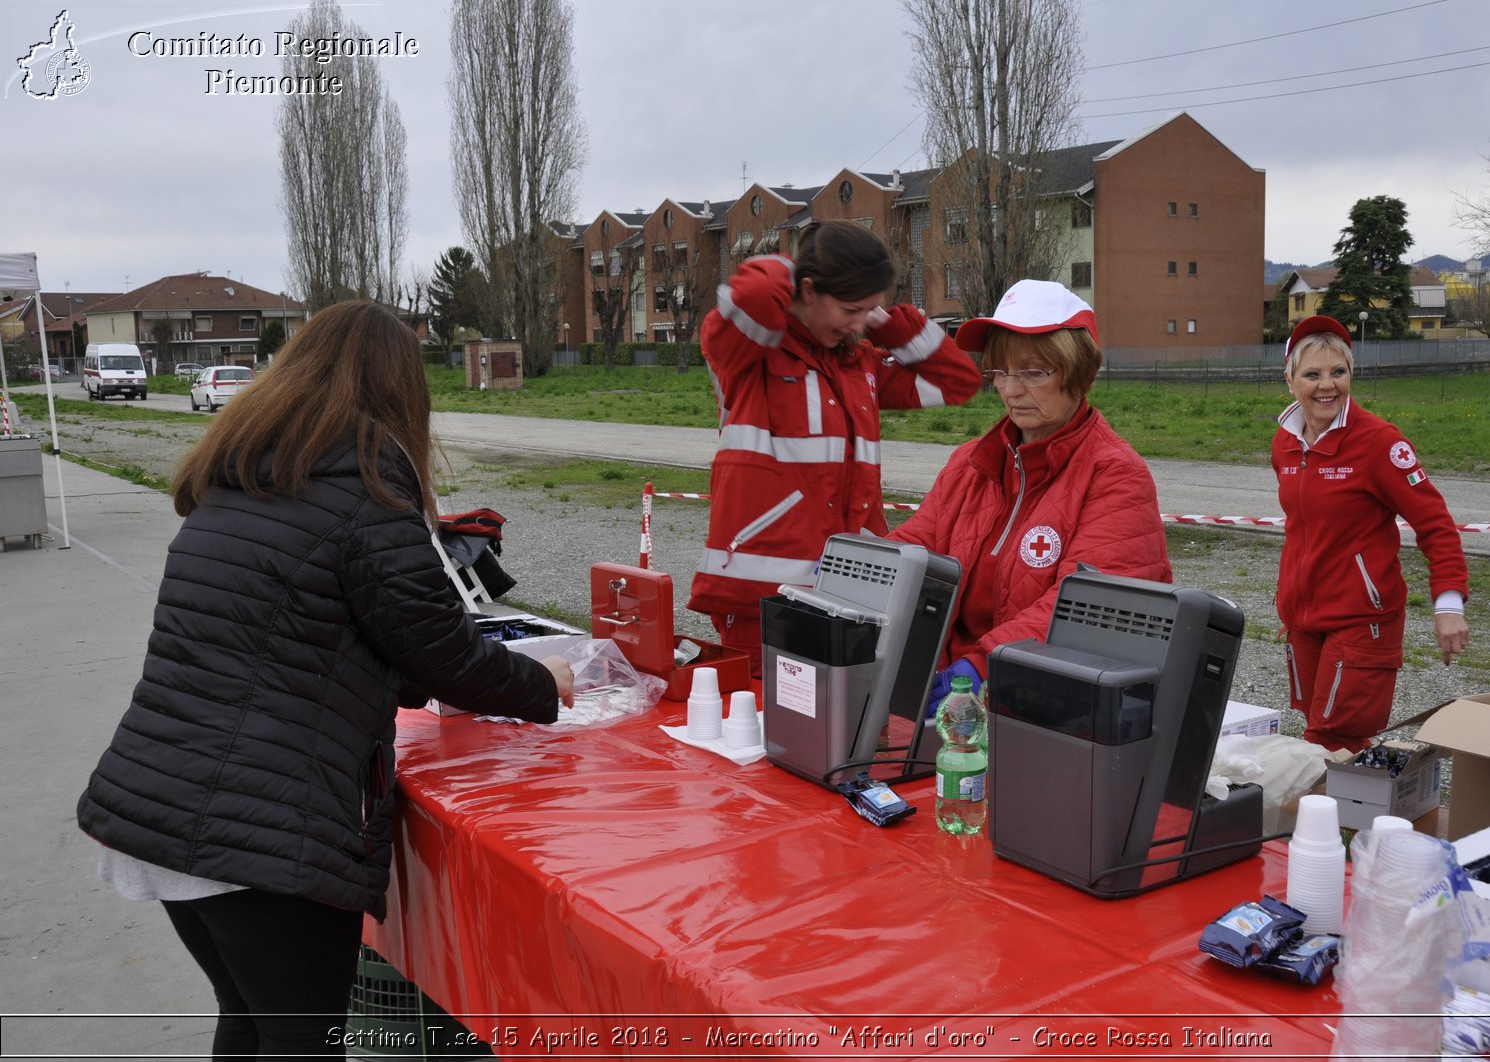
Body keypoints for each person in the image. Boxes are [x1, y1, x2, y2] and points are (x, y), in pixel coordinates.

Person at [76, 301, 575, 1060]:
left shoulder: (246, 468)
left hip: (160, 813)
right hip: (259, 837)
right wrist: (544, 682)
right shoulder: (365, 481)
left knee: (250, 1018)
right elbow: (445, 653)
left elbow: (324, 633)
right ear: (397, 387)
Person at [689, 220, 982, 667]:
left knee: (847, 730)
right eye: (851, 309)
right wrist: (805, 264)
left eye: (869, 311)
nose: (859, 323)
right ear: (807, 290)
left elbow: (959, 380)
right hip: (762, 603)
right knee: (760, 731)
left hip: (852, 595)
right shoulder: (747, 356)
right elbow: (751, 293)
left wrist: (887, 325)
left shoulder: (858, 363)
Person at [889, 279, 1170, 712]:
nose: (1010, 390)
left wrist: (982, 666)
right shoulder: (972, 462)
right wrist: (847, 570)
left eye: (1033, 372)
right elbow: (917, 546)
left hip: (1055, 706)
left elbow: (1086, 611)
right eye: (999, 371)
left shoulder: (1115, 475)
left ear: (1079, 372)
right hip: (959, 695)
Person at [1274, 315, 1469, 751]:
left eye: (1338, 372)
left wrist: (1448, 603)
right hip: (1303, 619)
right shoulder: (1284, 443)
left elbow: (1435, 523)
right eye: (1313, 374)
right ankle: (1344, 813)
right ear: (1290, 380)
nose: (1328, 385)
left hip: (1363, 620)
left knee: (1331, 738)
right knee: (1315, 725)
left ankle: (1340, 816)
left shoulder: (1380, 443)